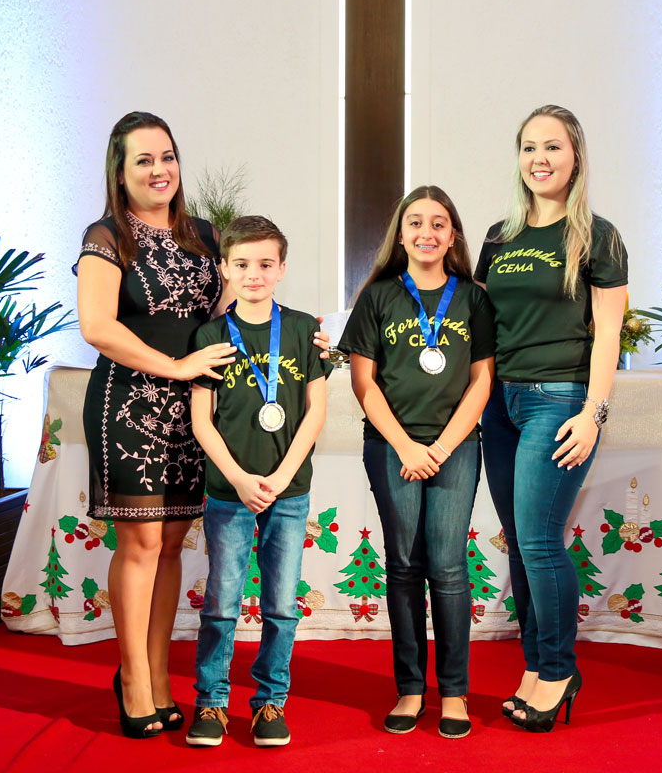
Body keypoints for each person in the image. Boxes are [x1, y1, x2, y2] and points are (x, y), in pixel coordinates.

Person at [76, 113, 330, 739]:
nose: (159, 169)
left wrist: (310, 341)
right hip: (132, 406)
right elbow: (97, 327)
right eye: (143, 160)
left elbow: (232, 315)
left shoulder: (205, 235)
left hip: (196, 412)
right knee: (140, 545)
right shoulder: (107, 237)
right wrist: (176, 367)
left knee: (170, 548)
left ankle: (160, 677)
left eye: (167, 156)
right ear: (119, 171)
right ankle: (134, 681)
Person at [473, 105, 628, 733]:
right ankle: (537, 667)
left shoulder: (597, 237)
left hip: (559, 401)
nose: (539, 159)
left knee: (539, 540)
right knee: (521, 543)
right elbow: (477, 322)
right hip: (499, 406)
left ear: (576, 157)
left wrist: (594, 413)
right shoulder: (499, 237)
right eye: (529, 147)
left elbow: (609, 332)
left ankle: (560, 669)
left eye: (553, 147)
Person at [339, 185, 496, 739]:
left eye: (438, 223)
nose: (426, 232)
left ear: (453, 236)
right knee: (404, 565)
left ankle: (453, 692)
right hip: (391, 447)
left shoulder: (473, 299)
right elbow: (364, 382)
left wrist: (443, 447)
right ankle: (410, 689)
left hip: (456, 447)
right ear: (400, 235)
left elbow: (482, 380)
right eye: (415, 223)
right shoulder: (378, 297)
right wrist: (406, 446)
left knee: (448, 568)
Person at [186, 216, 329, 748]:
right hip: (230, 493)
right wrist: (241, 479)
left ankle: (270, 702)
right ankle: (211, 701)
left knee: (281, 606)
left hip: (288, 493)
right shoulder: (211, 335)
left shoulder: (302, 329)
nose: (254, 274)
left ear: (282, 269)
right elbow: (202, 420)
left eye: (266, 264)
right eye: (242, 264)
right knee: (222, 604)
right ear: (224, 268)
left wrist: (282, 476)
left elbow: (315, 411)